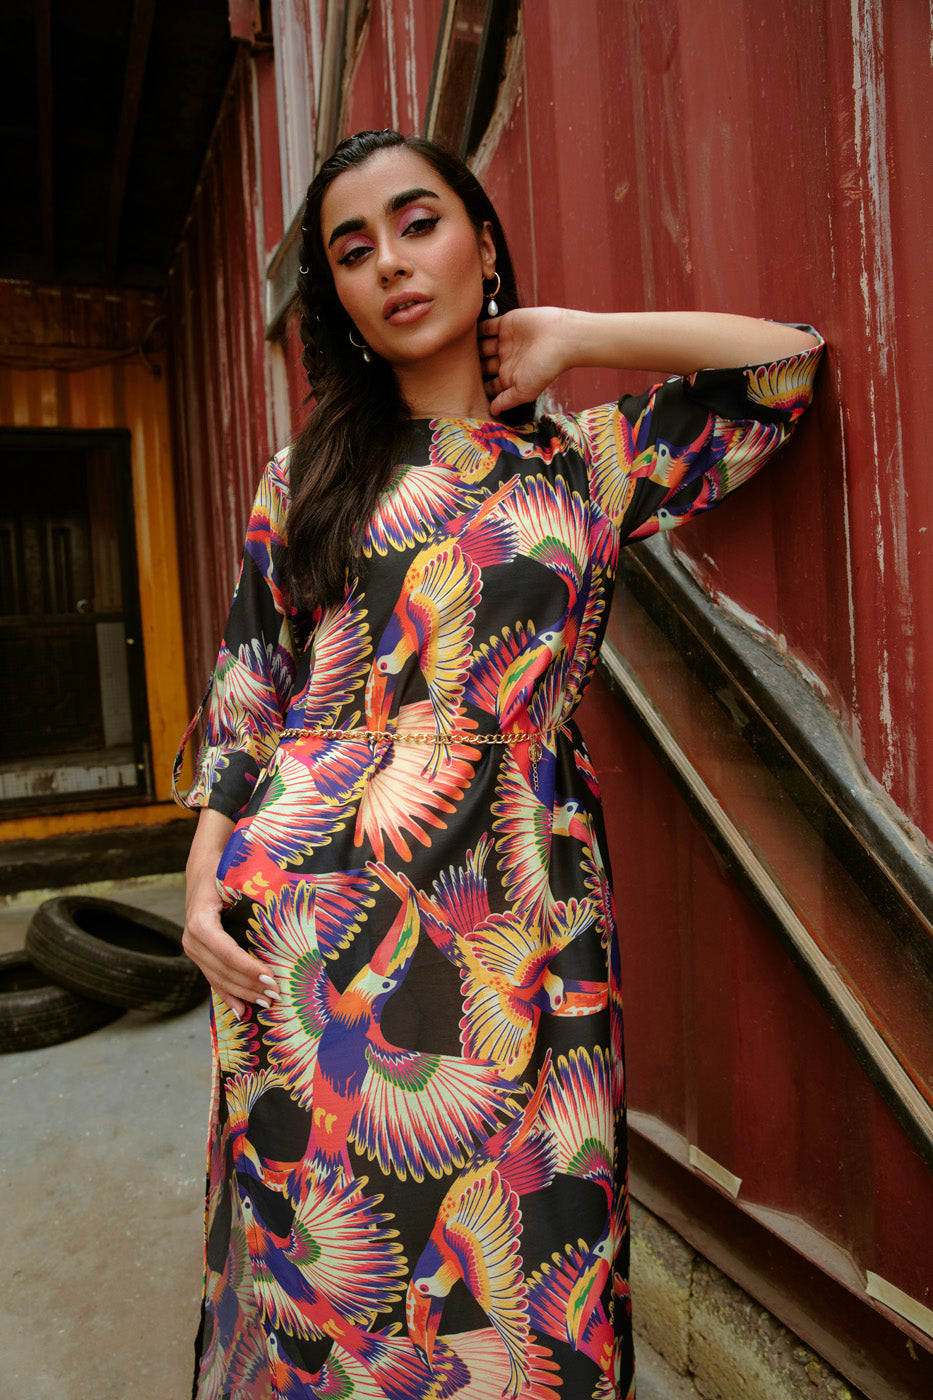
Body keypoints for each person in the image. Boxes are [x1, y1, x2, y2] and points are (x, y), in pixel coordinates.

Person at [176, 127, 822, 1400]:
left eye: (418, 223)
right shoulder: (304, 478)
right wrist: (200, 885)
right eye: (352, 250)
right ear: (336, 297)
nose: (389, 263)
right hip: (308, 927)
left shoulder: (583, 463)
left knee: (537, 1249)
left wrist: (573, 335)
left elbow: (784, 368)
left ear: (481, 242)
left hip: (520, 906)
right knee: (334, 1282)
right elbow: (249, 699)